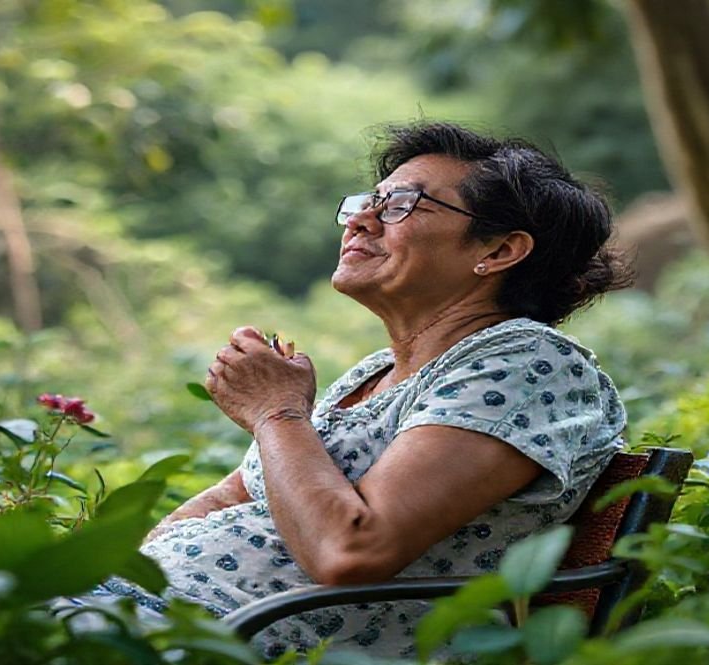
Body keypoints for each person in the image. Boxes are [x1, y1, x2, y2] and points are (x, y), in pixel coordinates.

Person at [94, 121, 632, 658]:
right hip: (141, 611)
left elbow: (353, 551)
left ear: (499, 250)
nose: (360, 220)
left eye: (400, 204)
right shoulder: (375, 373)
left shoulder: (527, 363)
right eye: (365, 201)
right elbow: (232, 496)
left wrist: (278, 413)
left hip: (212, 639)